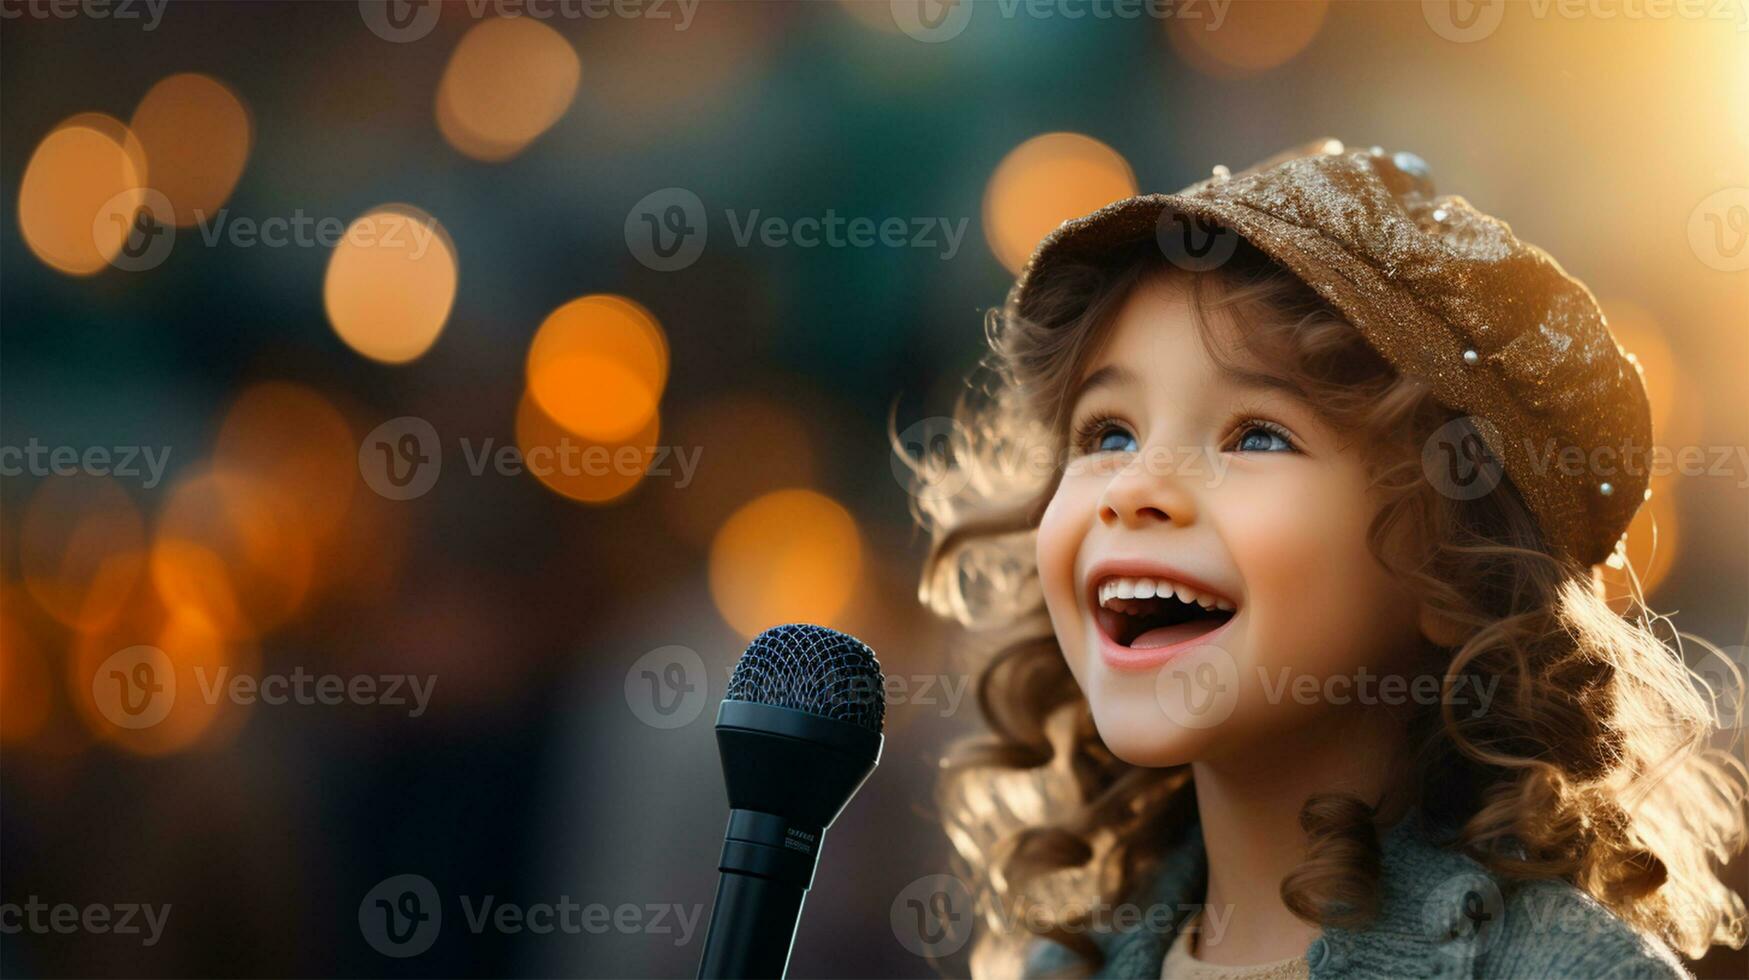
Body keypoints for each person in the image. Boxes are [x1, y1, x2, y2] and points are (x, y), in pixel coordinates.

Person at [901, 140, 1747, 978]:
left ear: (1455, 575)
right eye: (1106, 432)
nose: (1132, 487)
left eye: (1256, 435)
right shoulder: (1064, 967)